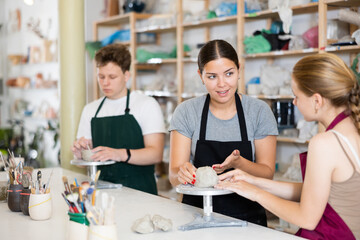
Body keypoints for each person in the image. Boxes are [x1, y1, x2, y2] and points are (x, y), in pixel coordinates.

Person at [216, 53, 360, 239]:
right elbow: (317, 193)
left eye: (296, 96)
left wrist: (255, 193)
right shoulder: (351, 131)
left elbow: (307, 218)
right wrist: (252, 181)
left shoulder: (325, 143)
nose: (294, 102)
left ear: (317, 100)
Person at [168, 39, 278, 226]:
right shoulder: (186, 112)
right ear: (200, 76)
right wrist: (181, 173)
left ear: (239, 70)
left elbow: (267, 174)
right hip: (196, 217)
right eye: (212, 76)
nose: (222, 84)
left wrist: (240, 163)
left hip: (247, 221)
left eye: (229, 74)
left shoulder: (259, 111)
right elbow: (173, 174)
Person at [72, 43, 166, 195]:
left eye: (112, 77)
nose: (105, 83)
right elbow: (86, 162)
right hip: (102, 194)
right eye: (101, 77)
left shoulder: (146, 105)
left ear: (126, 75)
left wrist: (119, 154)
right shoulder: (90, 110)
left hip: (141, 193)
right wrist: (80, 154)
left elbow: (156, 154)